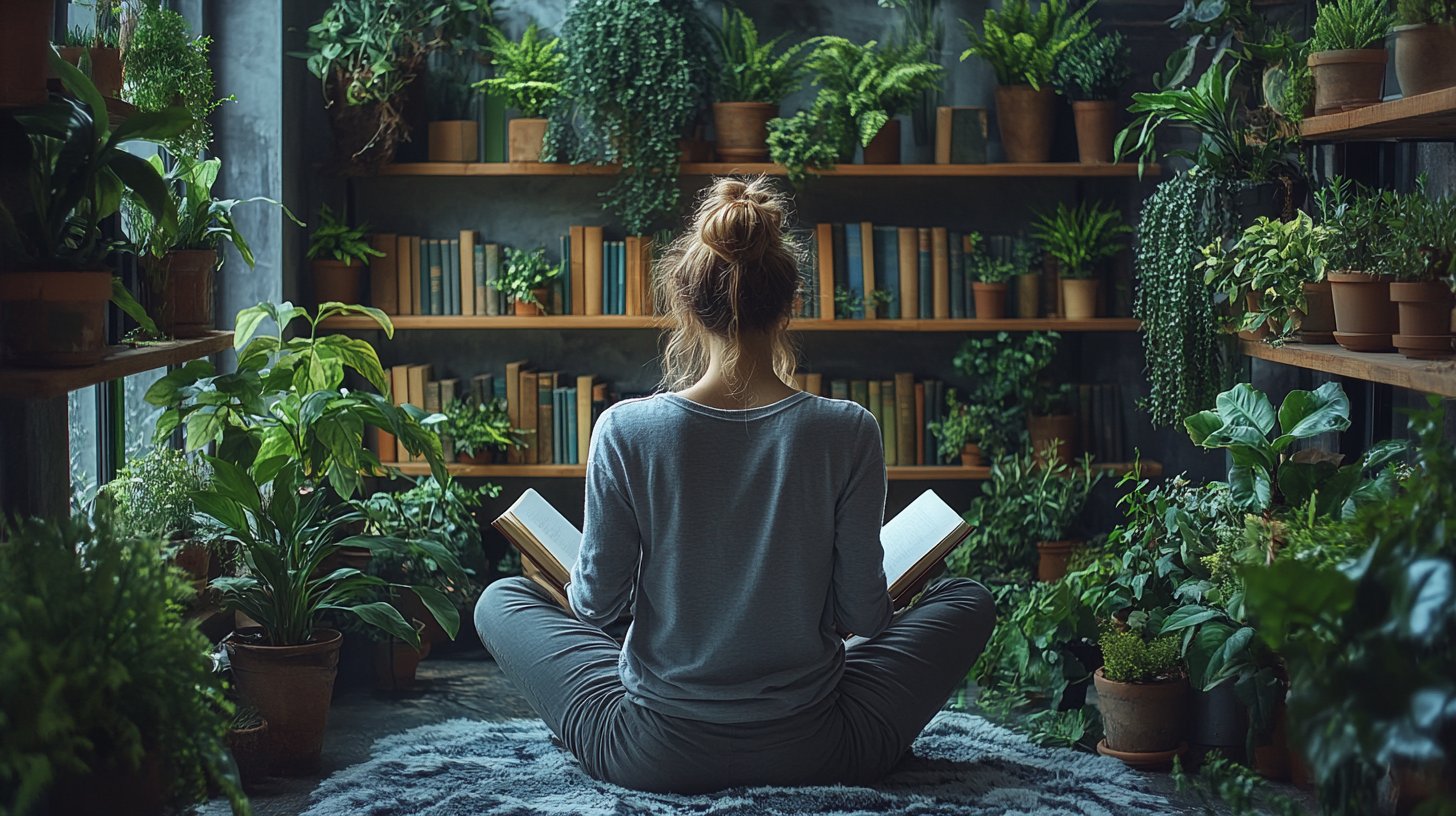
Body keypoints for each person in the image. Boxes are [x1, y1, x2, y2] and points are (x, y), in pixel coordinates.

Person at [475, 177, 996, 795]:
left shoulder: (624, 430)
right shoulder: (849, 430)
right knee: (967, 599)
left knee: (500, 599)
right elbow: (862, 616)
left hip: (650, 753)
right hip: (822, 749)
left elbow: (595, 607)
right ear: (789, 304)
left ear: (686, 305)